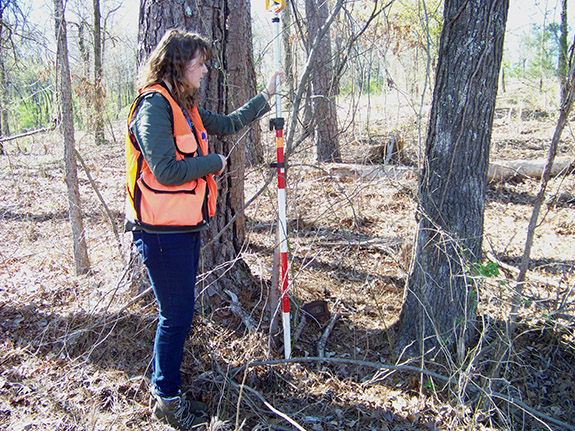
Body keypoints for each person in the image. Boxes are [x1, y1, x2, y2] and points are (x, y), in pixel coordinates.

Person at [125, 28, 282, 430]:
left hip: (182, 226)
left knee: (179, 313)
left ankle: (168, 392)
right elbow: (166, 169)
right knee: (175, 316)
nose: (206, 69)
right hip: (159, 233)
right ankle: (166, 400)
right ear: (179, 64)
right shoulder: (154, 107)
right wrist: (213, 164)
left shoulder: (185, 105)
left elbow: (228, 123)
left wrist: (266, 96)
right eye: (200, 62)